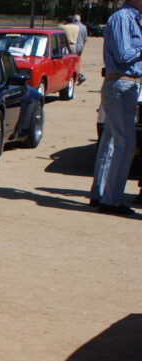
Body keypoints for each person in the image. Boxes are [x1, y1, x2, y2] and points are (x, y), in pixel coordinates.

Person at [88, 0, 142, 215]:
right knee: (125, 143)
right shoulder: (123, 18)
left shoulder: (130, 18)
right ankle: (110, 200)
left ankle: (100, 194)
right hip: (121, 83)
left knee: (111, 142)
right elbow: (123, 54)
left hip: (121, 84)